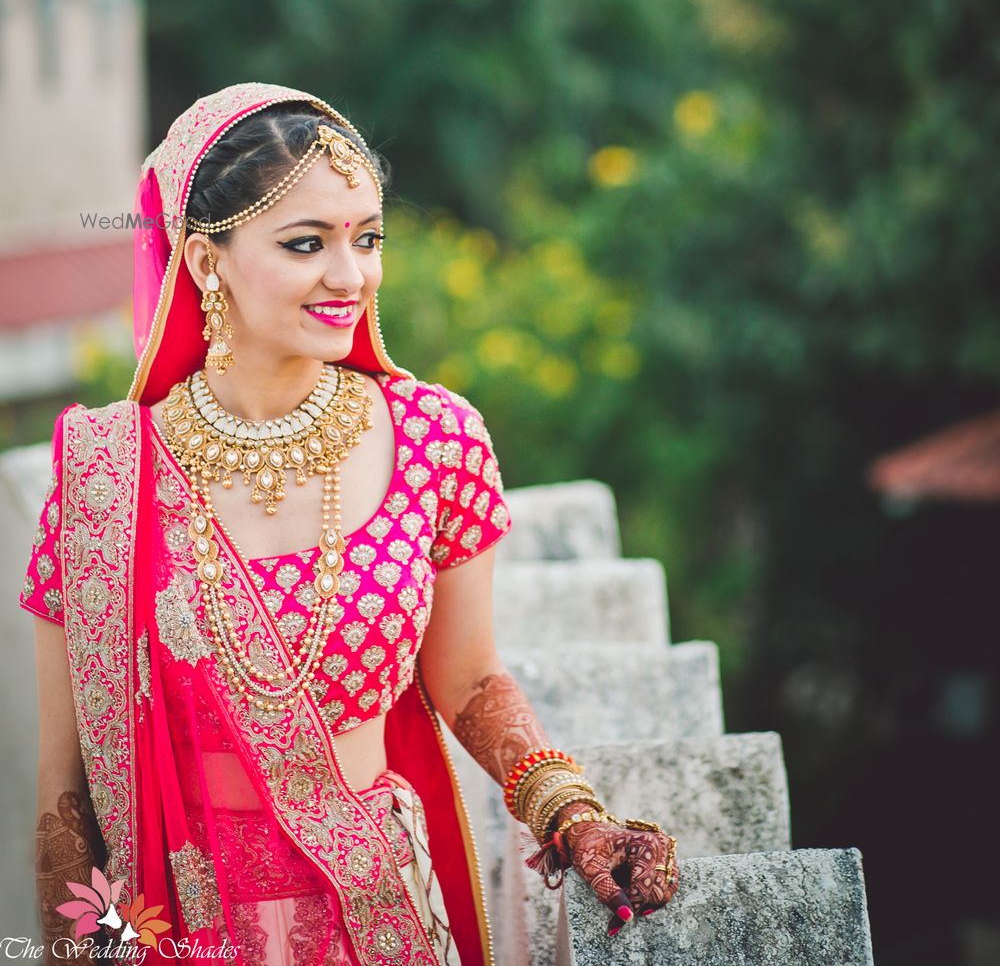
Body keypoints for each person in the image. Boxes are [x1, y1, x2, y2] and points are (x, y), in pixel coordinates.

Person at [20, 82, 679, 965]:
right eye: (306, 244)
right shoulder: (106, 478)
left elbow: (472, 681)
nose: (351, 276)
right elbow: (66, 804)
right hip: (184, 923)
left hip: (380, 912)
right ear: (205, 260)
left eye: (367, 238)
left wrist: (571, 811)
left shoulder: (433, 439)